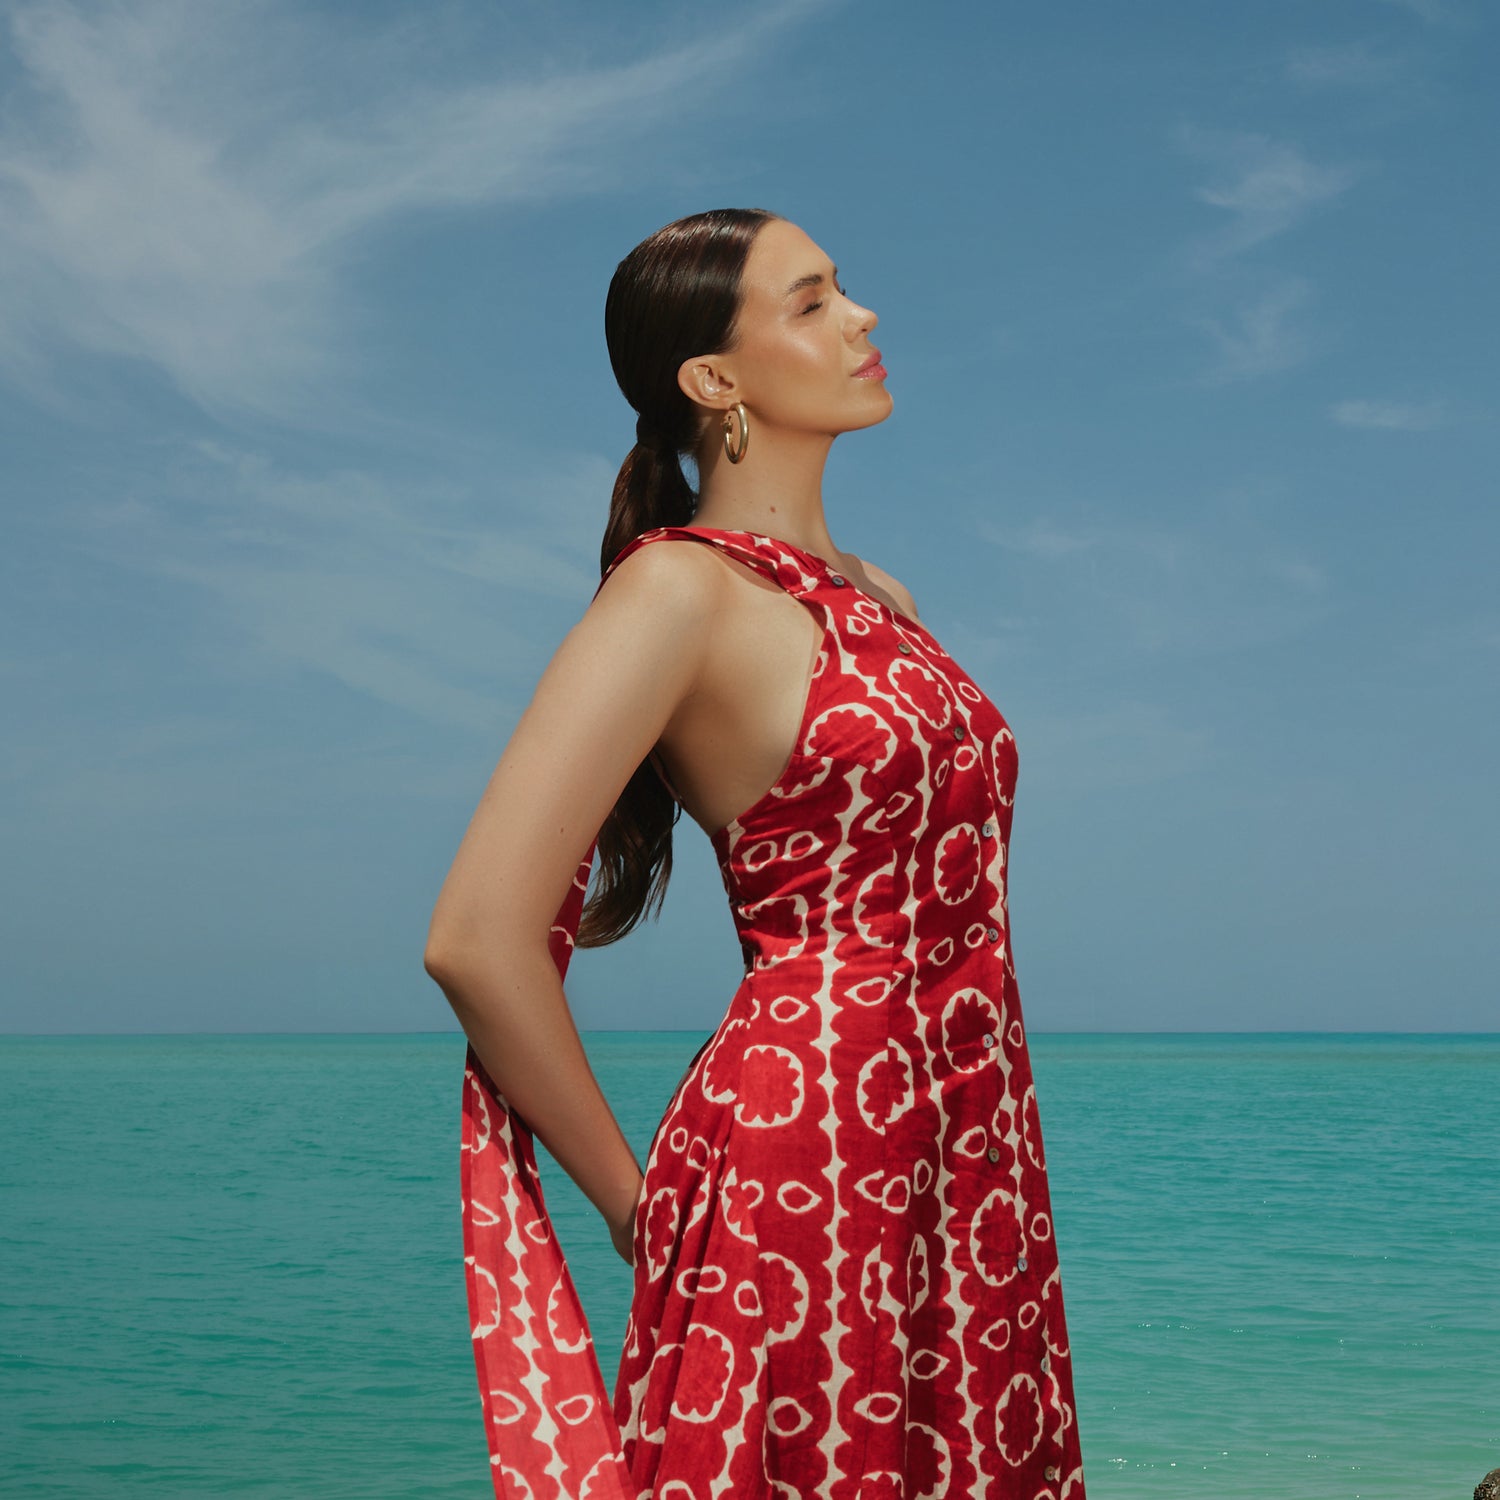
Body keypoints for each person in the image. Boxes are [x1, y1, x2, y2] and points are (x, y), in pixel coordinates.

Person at [424, 208, 1086, 1500]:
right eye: (812, 301)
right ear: (713, 380)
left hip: (975, 1144)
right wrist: (637, 1206)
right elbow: (477, 938)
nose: (862, 317)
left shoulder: (883, 597)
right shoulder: (679, 592)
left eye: (844, 290)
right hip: (807, 1148)